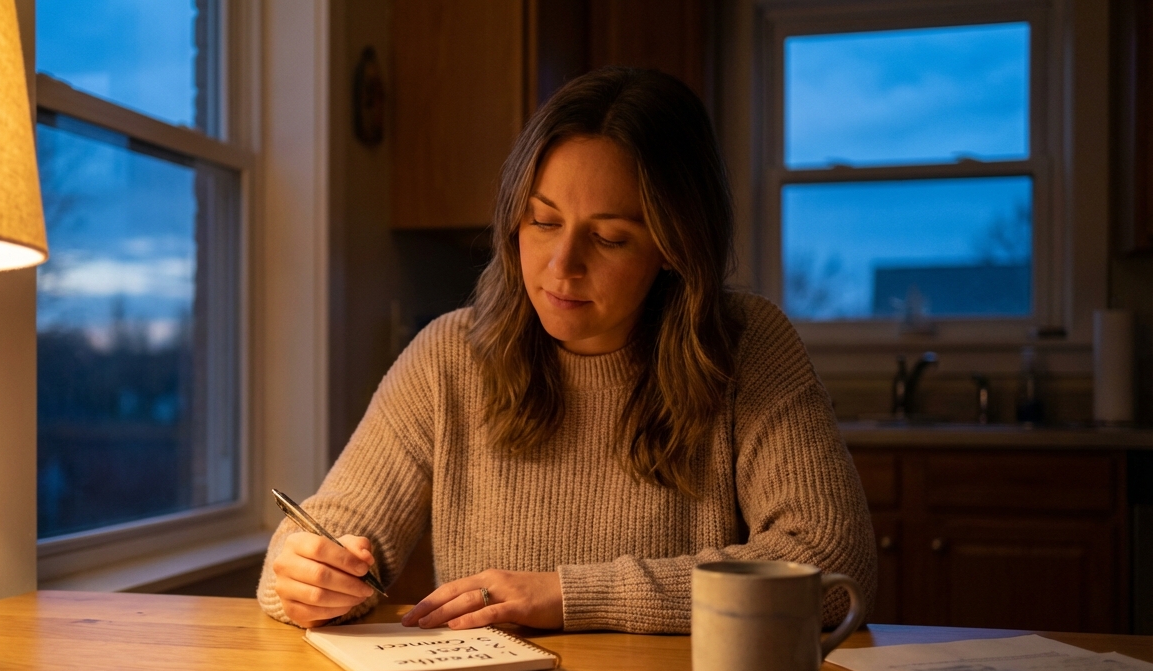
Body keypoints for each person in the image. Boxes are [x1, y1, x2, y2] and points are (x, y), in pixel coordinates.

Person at [257, 66, 875, 634]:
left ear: (674, 248)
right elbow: (324, 536)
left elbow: (827, 569)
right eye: (543, 222)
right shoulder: (448, 356)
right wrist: (308, 573)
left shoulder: (747, 344)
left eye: (609, 238)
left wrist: (570, 595)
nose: (561, 266)